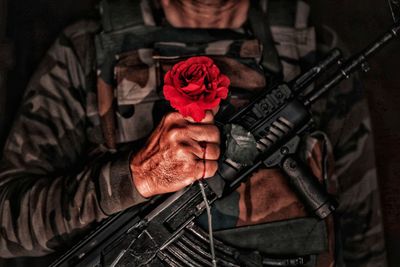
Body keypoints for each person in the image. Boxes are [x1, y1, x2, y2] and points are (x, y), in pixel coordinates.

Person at [0, 0, 387, 266]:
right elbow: (7, 224)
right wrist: (133, 177)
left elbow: (361, 231)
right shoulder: (83, 52)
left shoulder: (312, 48)